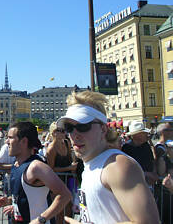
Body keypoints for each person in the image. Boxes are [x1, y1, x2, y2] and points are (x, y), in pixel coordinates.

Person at [57, 91, 160, 224]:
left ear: (103, 129)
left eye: (83, 126)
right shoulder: (92, 165)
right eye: (69, 127)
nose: (74, 134)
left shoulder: (117, 166)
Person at [0, 121, 72, 224]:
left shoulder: (36, 166)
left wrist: (41, 219)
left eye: (10, 138)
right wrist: (9, 200)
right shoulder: (16, 164)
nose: (6, 142)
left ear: (24, 141)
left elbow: (65, 195)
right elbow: (29, 196)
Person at [46, 122, 77, 223]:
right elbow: (51, 169)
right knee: (59, 210)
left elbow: (69, 158)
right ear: (54, 133)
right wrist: (69, 167)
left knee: (70, 208)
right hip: (57, 183)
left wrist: (72, 164)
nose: (64, 132)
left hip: (69, 179)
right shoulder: (51, 149)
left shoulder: (66, 143)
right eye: (60, 130)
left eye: (64, 130)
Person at [122, 120, 158, 186]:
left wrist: (154, 173)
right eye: (144, 133)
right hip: (135, 183)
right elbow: (127, 169)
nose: (147, 134)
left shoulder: (145, 145)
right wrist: (146, 174)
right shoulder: (126, 148)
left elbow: (152, 160)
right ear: (137, 135)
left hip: (149, 182)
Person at [154, 122, 173, 222]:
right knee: (166, 216)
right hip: (164, 187)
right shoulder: (160, 148)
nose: (172, 132)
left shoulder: (166, 146)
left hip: (168, 185)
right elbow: (161, 171)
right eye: (169, 130)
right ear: (163, 132)